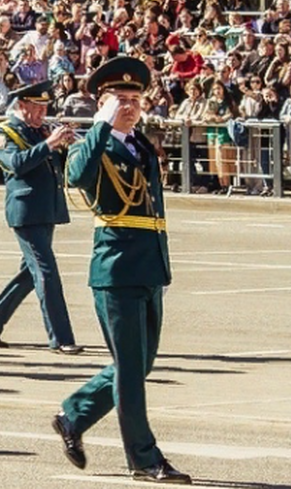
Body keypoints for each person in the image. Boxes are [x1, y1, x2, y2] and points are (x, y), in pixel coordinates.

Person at [52, 56, 191, 484]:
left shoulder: (140, 145)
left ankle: (73, 415)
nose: (129, 106)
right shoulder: (93, 144)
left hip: (148, 269)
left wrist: (161, 270)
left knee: (139, 363)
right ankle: (144, 459)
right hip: (116, 271)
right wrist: (100, 126)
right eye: (119, 99)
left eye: (134, 98)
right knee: (131, 371)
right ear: (102, 104)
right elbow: (76, 175)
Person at [0, 81, 82, 354]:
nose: (43, 112)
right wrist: (49, 143)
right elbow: (16, 164)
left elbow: (52, 165)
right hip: (26, 211)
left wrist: (66, 145)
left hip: (47, 209)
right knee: (46, 272)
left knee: (29, 274)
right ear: (22, 105)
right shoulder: (4, 131)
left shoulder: (38, 130)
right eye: (37, 106)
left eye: (45, 106)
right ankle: (60, 337)